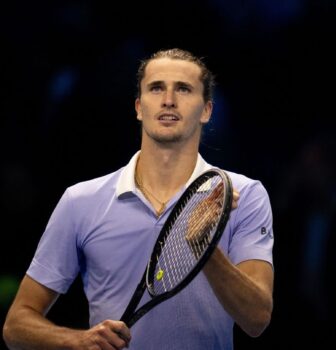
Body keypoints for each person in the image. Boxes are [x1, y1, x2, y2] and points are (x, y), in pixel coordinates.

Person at [3, 48, 274, 349]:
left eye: (183, 89)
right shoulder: (80, 201)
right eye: (156, 88)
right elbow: (16, 325)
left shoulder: (243, 194)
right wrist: (78, 340)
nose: (168, 100)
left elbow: (257, 318)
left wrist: (204, 249)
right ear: (139, 107)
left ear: (207, 110)